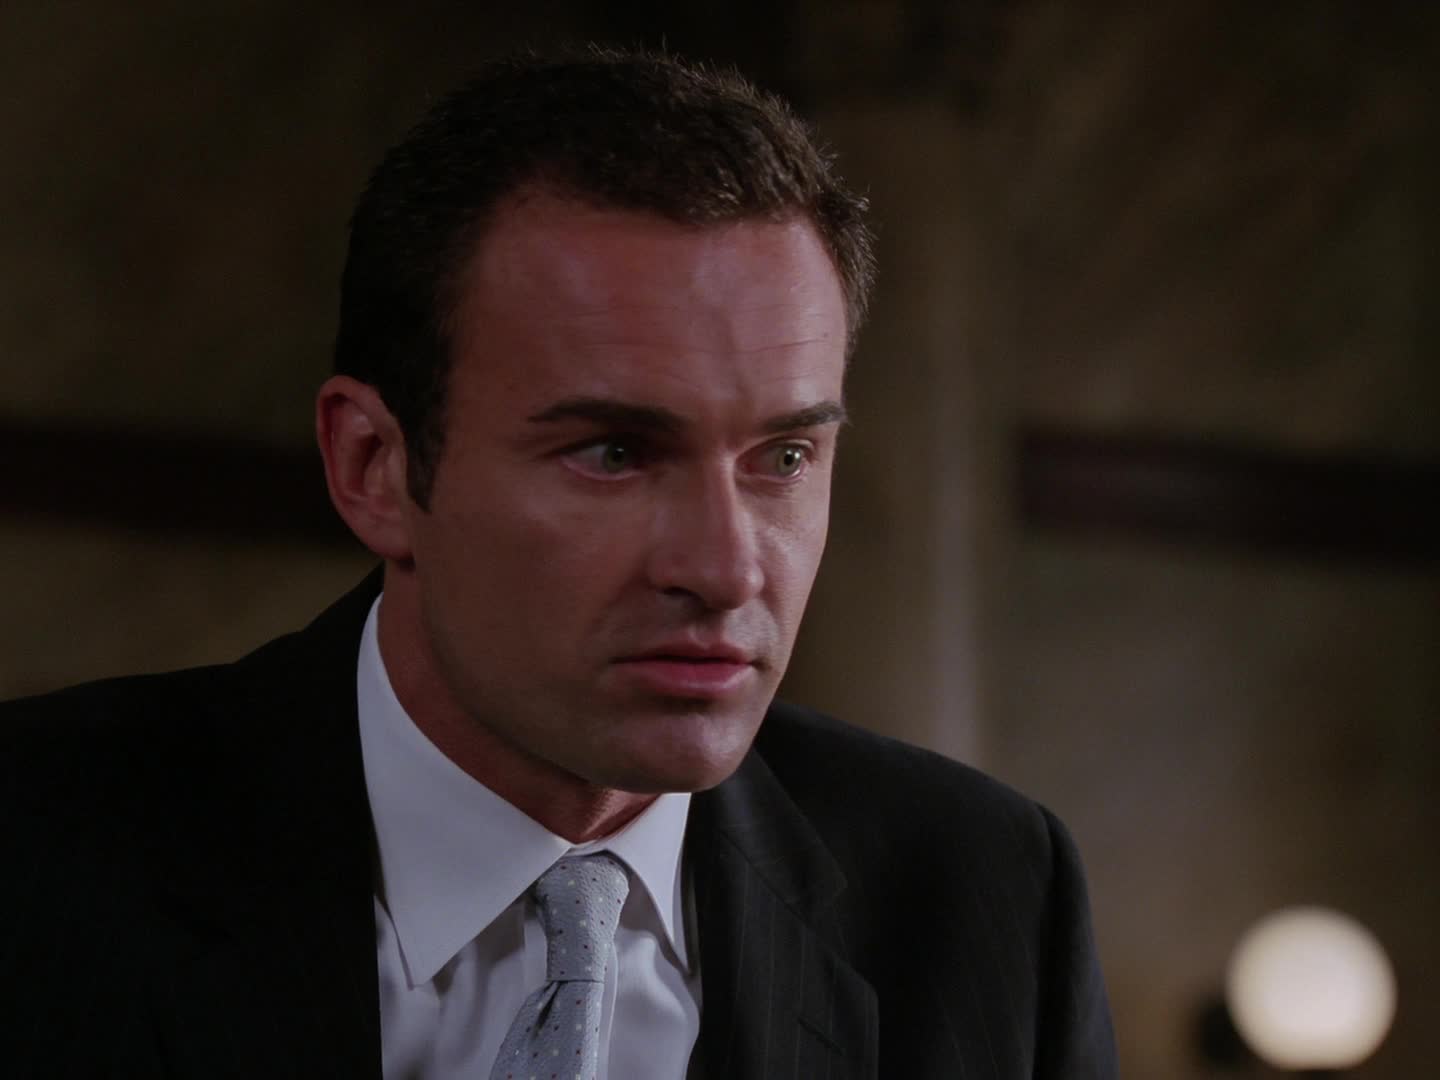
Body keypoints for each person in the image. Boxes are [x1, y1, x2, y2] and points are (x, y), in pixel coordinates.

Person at [2, 48, 1116, 1078]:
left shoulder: (986, 899)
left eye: (783, 457)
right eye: (615, 453)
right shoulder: (37, 853)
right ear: (374, 466)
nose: (727, 570)